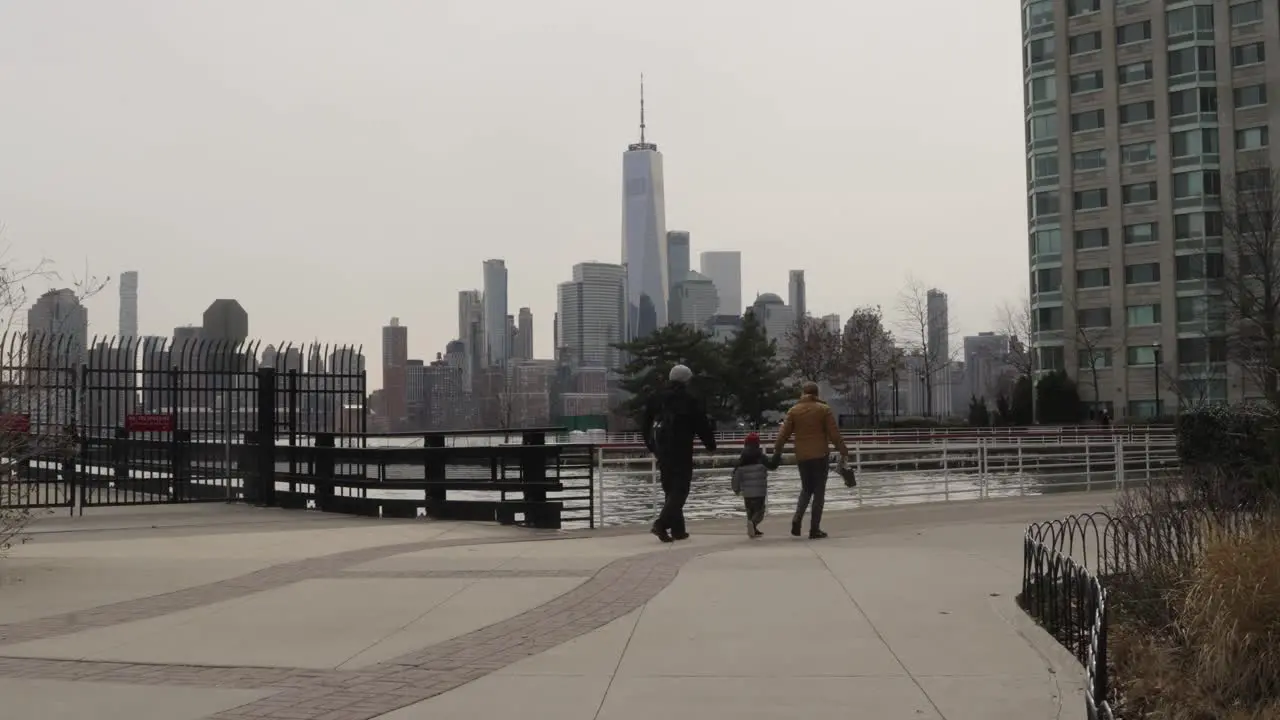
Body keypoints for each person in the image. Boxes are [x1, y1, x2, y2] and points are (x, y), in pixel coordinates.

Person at [642, 364, 716, 543]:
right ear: (687, 380)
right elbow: (701, 425)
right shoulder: (689, 400)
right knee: (680, 490)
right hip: (682, 449)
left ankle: (678, 530)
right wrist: (710, 445)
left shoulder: (656, 397)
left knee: (670, 489)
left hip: (662, 449)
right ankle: (661, 524)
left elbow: (645, 423)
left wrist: (651, 445)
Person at [771, 381, 849, 539]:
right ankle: (814, 529)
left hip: (802, 456)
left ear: (803, 393)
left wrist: (777, 452)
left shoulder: (794, 411)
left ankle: (797, 518)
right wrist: (843, 450)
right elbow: (834, 434)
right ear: (817, 394)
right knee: (819, 492)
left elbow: (782, 436)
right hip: (820, 455)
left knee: (806, 489)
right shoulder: (824, 410)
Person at [731, 431, 780, 538]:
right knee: (760, 512)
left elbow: (736, 475)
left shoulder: (742, 459)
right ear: (757, 444)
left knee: (750, 511)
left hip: (747, 492)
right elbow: (772, 466)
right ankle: (753, 524)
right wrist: (777, 454)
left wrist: (736, 489)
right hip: (759, 491)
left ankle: (753, 528)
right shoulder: (761, 457)